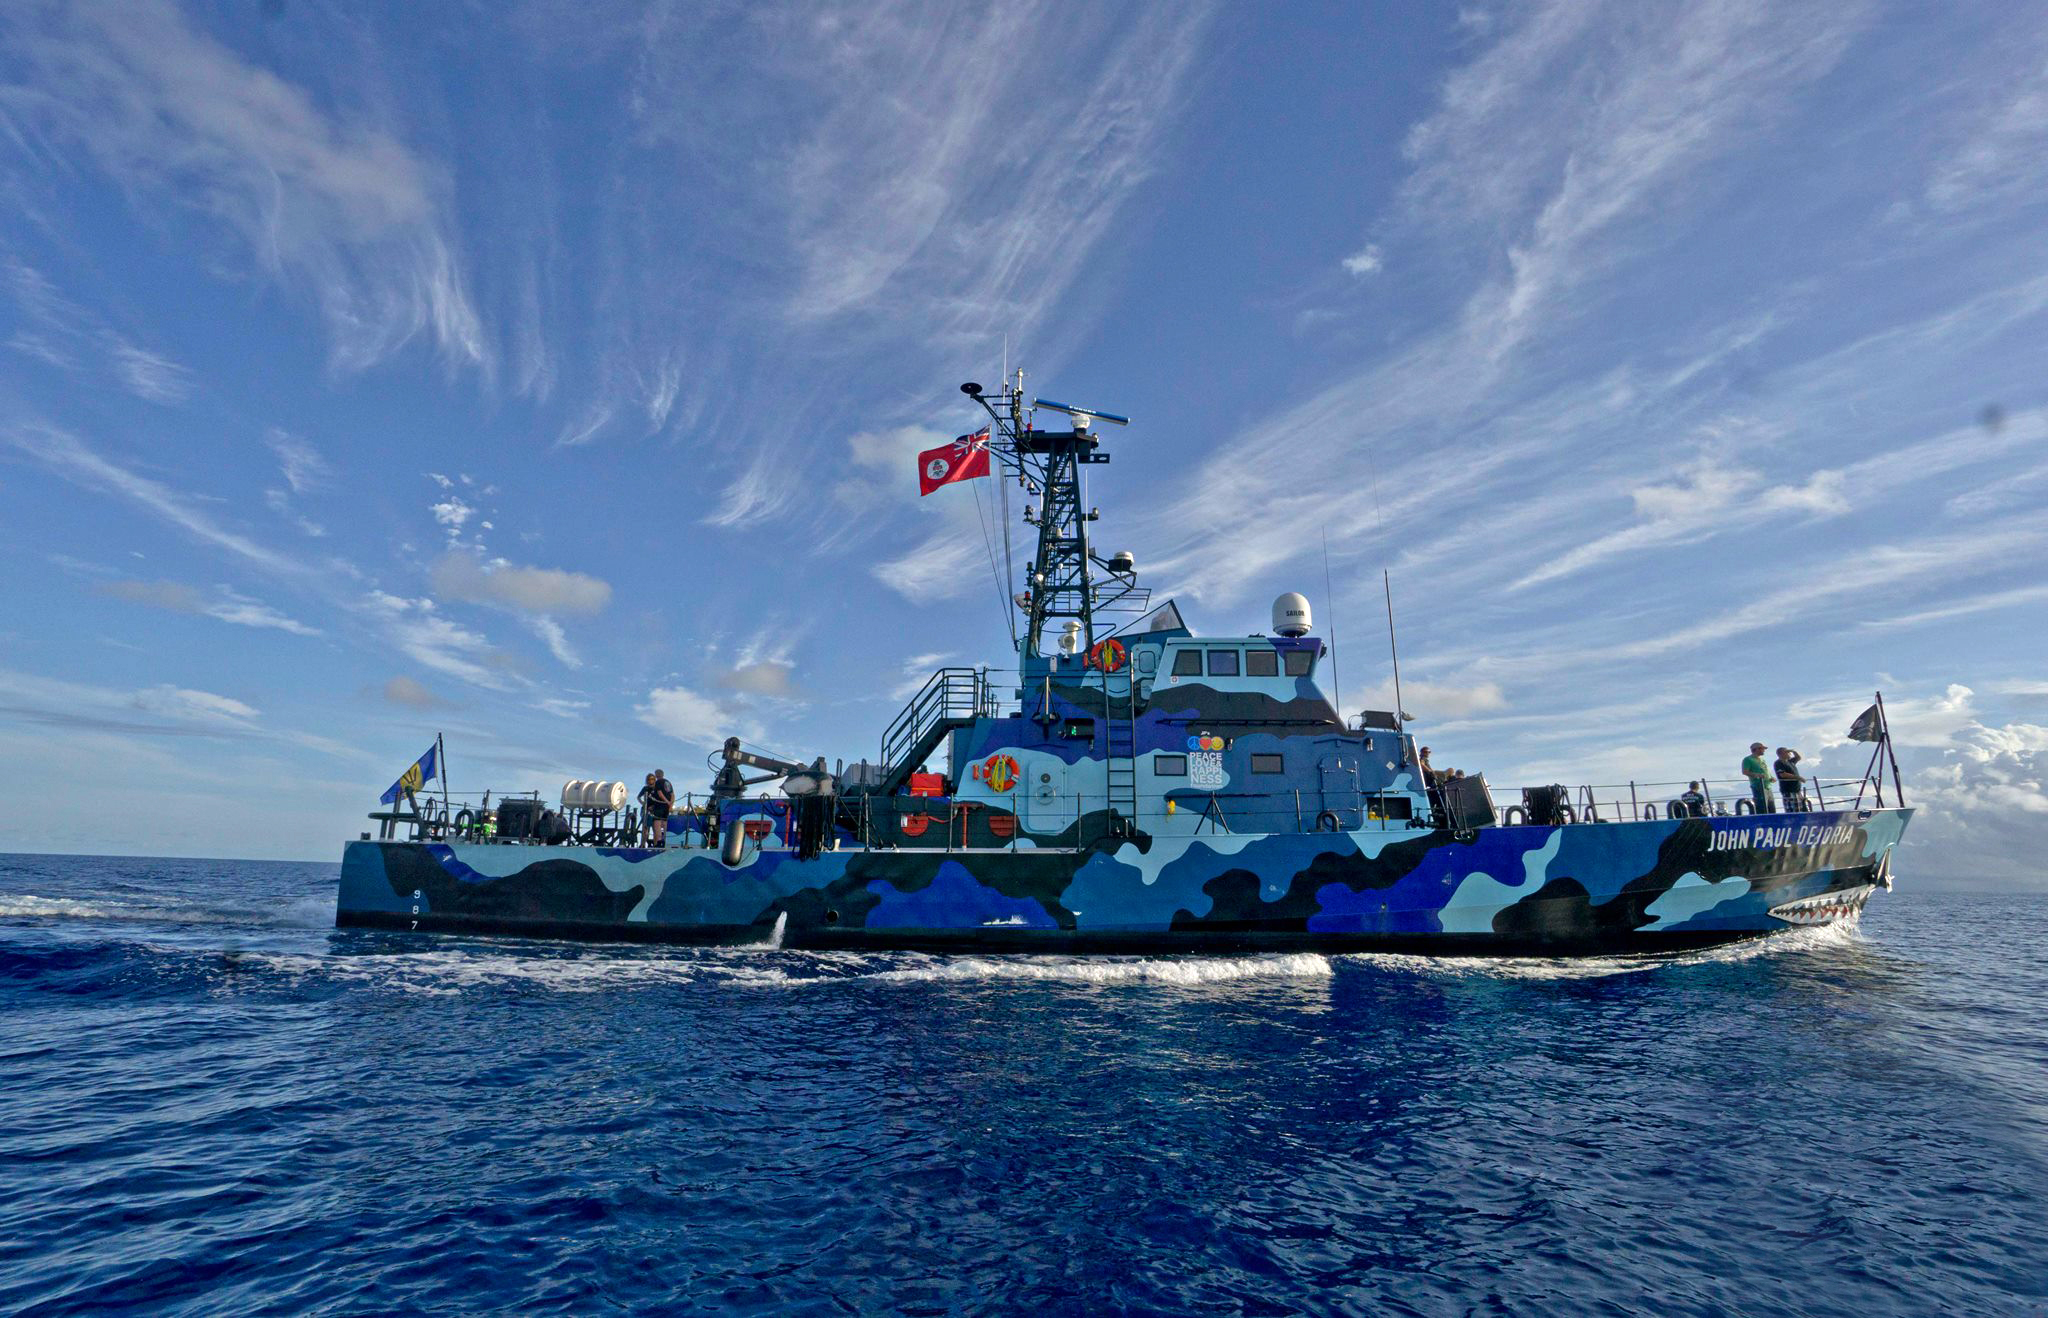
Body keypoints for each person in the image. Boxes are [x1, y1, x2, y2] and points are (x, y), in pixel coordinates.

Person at [639, 770, 674, 847]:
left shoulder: (657, 786)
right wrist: (644, 804)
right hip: (646, 810)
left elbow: (661, 796)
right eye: (649, 779)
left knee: (655, 828)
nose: (651, 781)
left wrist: (668, 804)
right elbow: (639, 797)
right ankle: (642, 844)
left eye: (652, 779)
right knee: (646, 828)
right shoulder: (645, 788)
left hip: (654, 809)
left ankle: (656, 844)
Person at [1742, 742, 1772, 814]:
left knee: (1771, 808)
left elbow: (1765, 770)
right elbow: (1745, 771)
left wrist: (1771, 777)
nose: (1764, 750)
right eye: (1762, 749)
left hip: (1768, 786)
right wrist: (1757, 775)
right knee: (1762, 808)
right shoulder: (1748, 759)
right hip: (1758, 786)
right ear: (1757, 749)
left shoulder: (1762, 759)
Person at [1774, 747, 1805, 813]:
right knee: (1792, 811)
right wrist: (1798, 777)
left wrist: (1793, 751)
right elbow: (1782, 774)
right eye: (1787, 752)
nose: (1789, 754)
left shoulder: (1790, 762)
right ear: (1781, 754)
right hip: (1788, 790)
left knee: (1800, 810)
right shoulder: (1778, 763)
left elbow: (1798, 757)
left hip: (1797, 790)